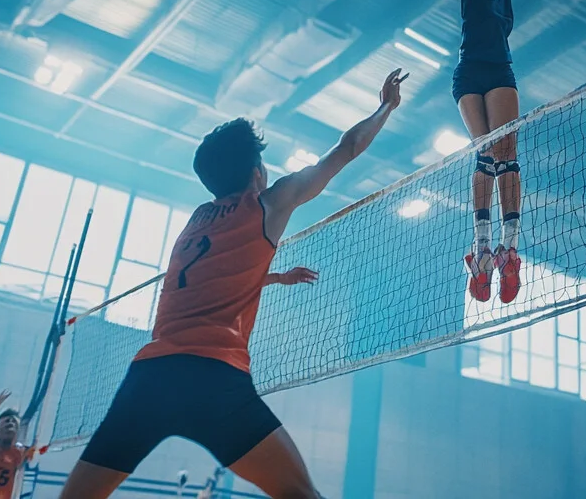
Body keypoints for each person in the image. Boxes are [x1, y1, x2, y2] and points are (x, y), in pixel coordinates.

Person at [57, 69, 408, 499]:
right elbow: (346, 148)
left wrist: (275, 276)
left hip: (150, 378)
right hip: (213, 378)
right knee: (301, 495)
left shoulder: (195, 222)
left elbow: (212, 279)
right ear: (257, 170)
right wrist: (385, 106)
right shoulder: (266, 205)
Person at [452, 0, 559, 304]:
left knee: (506, 152)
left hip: (499, 68)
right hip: (469, 71)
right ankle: (480, 251)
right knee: (484, 156)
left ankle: (509, 250)